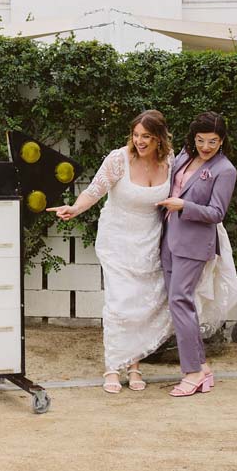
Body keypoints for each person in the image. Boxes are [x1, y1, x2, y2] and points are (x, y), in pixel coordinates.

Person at [48, 110, 175, 394]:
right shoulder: (119, 159)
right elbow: (95, 190)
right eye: (136, 135)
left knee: (142, 303)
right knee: (120, 302)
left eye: (147, 136)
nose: (139, 141)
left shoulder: (170, 161)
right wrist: (75, 208)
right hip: (117, 239)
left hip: (150, 240)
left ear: (159, 139)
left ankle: (135, 365)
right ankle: (112, 366)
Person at [158, 111, 237, 398]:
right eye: (201, 140)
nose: (206, 147)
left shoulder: (225, 170)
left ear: (222, 141)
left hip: (194, 244)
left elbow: (217, 213)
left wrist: (183, 206)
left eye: (213, 141)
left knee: (181, 301)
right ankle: (202, 368)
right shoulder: (183, 157)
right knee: (178, 303)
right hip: (168, 238)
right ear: (193, 138)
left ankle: (191, 372)